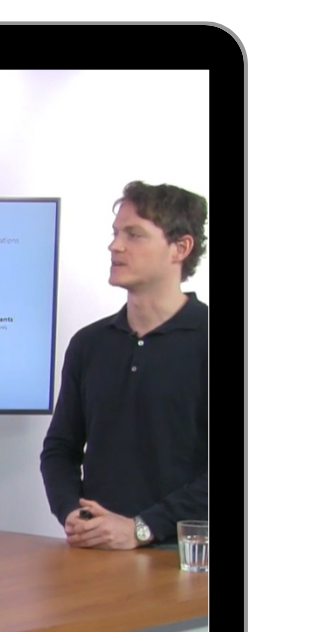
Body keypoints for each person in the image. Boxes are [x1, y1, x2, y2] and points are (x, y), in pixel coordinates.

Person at [40, 180, 209, 551]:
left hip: (186, 561)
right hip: (96, 553)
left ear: (180, 248)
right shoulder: (89, 344)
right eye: (116, 233)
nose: (115, 246)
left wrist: (141, 528)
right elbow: (60, 449)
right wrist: (72, 512)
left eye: (134, 234)